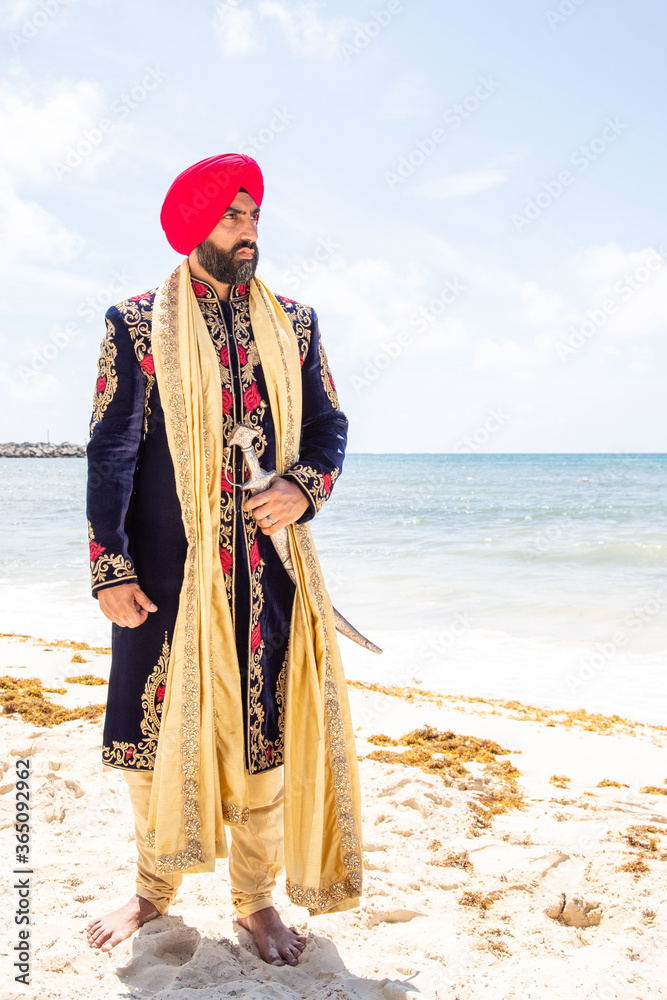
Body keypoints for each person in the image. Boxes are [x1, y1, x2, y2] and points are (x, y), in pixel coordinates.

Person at [84, 154, 362, 967]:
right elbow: (110, 451)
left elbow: (329, 425)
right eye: (235, 216)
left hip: (271, 574)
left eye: (254, 217)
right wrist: (111, 566)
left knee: (264, 737)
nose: (249, 231)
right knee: (154, 731)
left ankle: (255, 900)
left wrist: (304, 489)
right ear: (198, 223)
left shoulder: (297, 324)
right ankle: (151, 888)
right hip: (166, 574)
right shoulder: (137, 323)